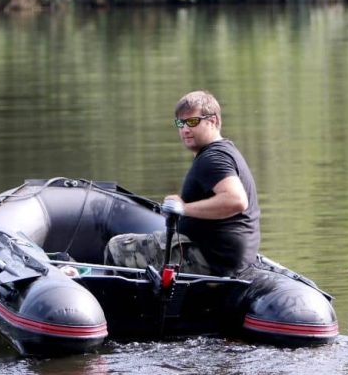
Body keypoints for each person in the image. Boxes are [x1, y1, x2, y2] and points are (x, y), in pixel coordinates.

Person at [105, 90, 261, 277]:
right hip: (222, 257)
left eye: (192, 122)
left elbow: (236, 201)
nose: (185, 129)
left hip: (213, 260)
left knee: (117, 248)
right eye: (181, 123)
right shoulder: (222, 152)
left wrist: (183, 208)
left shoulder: (213, 158)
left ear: (213, 121)